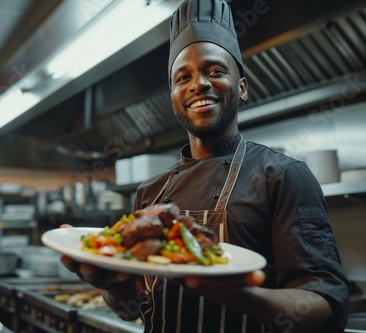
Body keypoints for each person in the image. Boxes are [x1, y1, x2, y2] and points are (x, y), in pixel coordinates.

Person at [60, 0, 351, 331]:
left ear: (242, 87)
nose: (198, 84)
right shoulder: (150, 194)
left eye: (215, 71)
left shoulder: (282, 177)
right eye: (182, 77)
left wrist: (244, 297)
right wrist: (112, 283)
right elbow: (135, 307)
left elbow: (326, 303)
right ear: (173, 97)